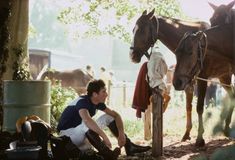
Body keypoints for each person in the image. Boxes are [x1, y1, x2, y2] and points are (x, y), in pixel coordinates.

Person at [57, 79, 151, 160]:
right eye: (104, 91)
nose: (106, 94)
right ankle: (108, 154)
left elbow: (116, 115)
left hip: (80, 135)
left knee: (109, 117)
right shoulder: (82, 102)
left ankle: (129, 146)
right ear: (95, 94)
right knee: (88, 124)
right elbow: (87, 120)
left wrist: (121, 134)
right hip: (68, 137)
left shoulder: (97, 102)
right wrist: (104, 137)